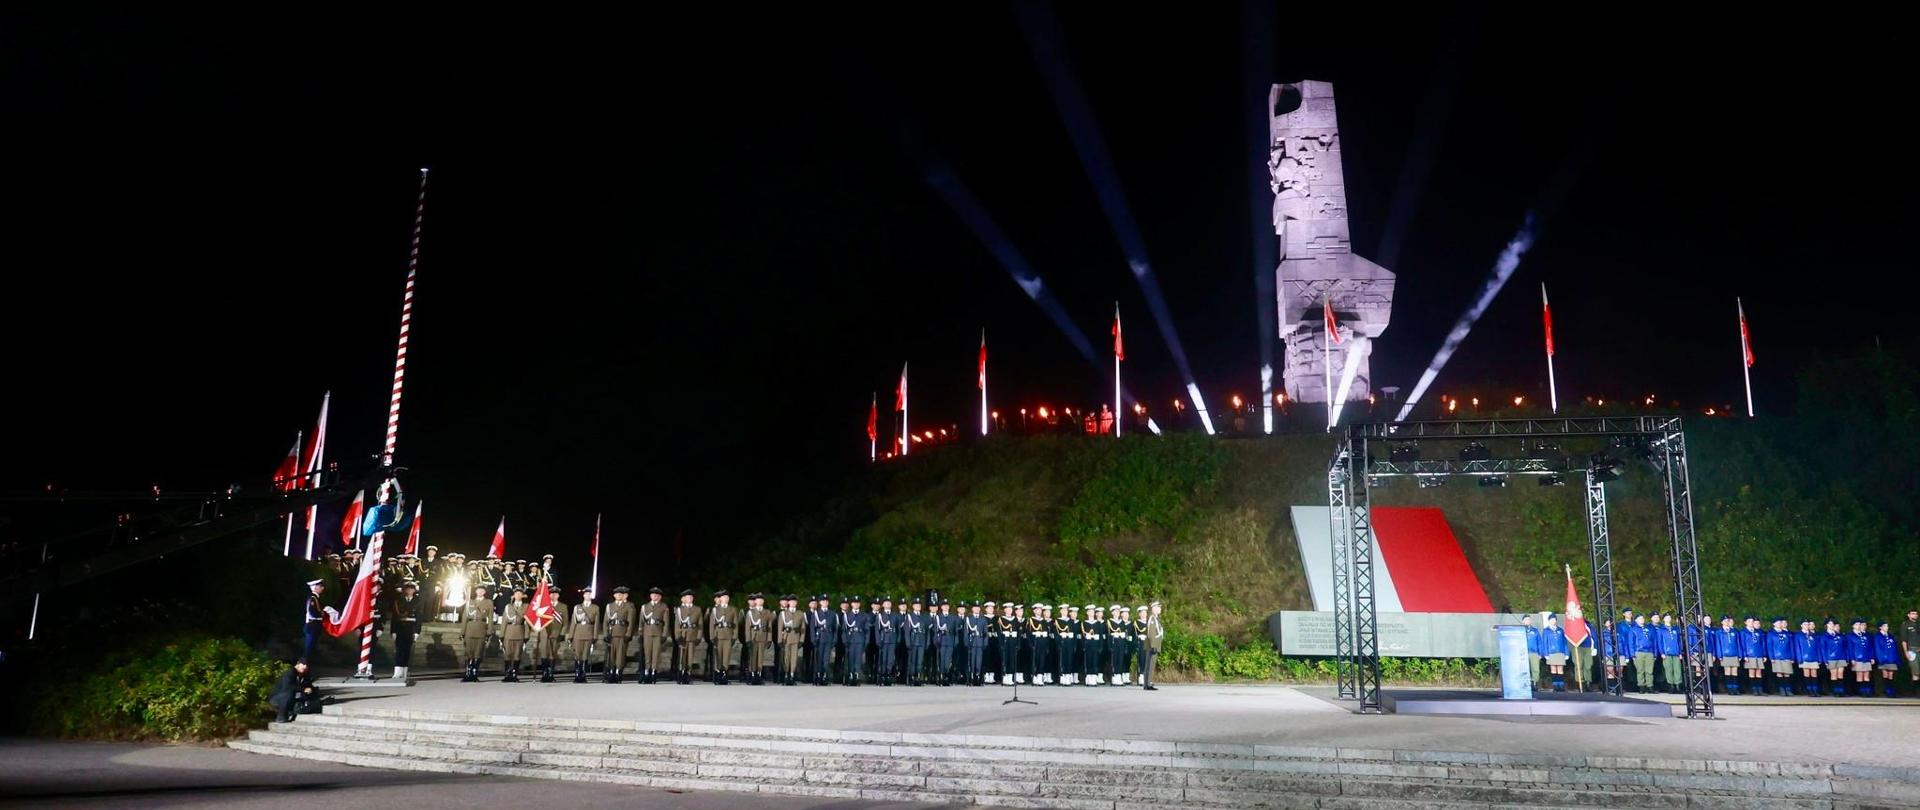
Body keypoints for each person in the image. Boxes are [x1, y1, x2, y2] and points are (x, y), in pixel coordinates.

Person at [388, 580, 424, 682]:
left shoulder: (418, 601)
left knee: (407, 651)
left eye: (411, 589)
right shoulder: (399, 601)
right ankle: (397, 672)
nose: (409, 591)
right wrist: (393, 631)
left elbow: (419, 617)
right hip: (400, 627)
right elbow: (395, 617)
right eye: (407, 589)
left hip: (411, 628)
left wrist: (417, 631)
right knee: (399, 650)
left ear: (414, 591)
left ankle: (404, 671)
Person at [459, 584, 494, 682]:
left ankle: (474, 673)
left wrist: (489, 631)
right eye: (478, 590)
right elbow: (464, 617)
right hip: (470, 627)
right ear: (476, 592)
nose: (480, 592)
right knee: (468, 652)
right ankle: (467, 673)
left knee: (478, 652)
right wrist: (462, 632)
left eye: (482, 590)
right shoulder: (470, 602)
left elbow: (490, 618)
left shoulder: (488, 602)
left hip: (481, 627)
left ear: (484, 592)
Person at [603, 586, 637, 683]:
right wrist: (605, 634)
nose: (619, 596)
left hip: (622, 633)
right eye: (617, 594)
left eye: (621, 594)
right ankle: (611, 672)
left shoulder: (628, 606)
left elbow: (631, 621)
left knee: (620, 655)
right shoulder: (609, 606)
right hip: (612, 633)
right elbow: (606, 621)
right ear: (614, 595)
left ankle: (618, 673)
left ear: (623, 596)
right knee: (611, 655)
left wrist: (628, 634)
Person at [532, 589, 567, 683]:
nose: (553, 595)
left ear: (558, 596)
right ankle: (544, 674)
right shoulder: (544, 606)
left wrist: (562, 634)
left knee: (552, 654)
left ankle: (551, 675)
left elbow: (565, 623)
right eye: (551, 594)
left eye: (555, 594)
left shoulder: (563, 606)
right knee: (543, 653)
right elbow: (537, 618)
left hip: (555, 633)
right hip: (544, 633)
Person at [568, 587, 601, 683]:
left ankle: (583, 675)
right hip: (578, 633)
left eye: (590, 594)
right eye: (586, 594)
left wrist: (595, 636)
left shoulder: (595, 608)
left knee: (585, 655)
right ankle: (577, 675)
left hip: (588, 633)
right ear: (583, 595)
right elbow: (573, 622)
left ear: (592, 596)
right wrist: (571, 636)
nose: (588, 596)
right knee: (577, 655)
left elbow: (596, 623)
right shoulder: (577, 607)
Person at [500, 587, 530, 682]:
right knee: (508, 654)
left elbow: (528, 623)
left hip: (519, 632)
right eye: (516, 593)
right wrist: (502, 635)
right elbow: (504, 621)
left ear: (523, 595)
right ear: (513, 595)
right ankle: (507, 674)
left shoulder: (526, 606)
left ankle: (514, 675)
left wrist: (526, 636)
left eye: (520, 594)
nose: (518, 595)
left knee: (517, 655)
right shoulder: (508, 606)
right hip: (508, 632)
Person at [639, 587, 669, 684]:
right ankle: (647, 672)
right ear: (650, 596)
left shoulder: (663, 607)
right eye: (653, 595)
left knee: (655, 654)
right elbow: (641, 622)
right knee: (647, 654)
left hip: (657, 632)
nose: (655, 596)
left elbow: (666, 622)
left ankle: (654, 672)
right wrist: (640, 633)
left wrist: (664, 634)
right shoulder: (645, 607)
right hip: (647, 632)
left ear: (660, 597)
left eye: (657, 595)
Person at [302, 579, 336, 662]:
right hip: (312, 625)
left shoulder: (316, 598)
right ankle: (302, 669)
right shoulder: (313, 598)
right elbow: (313, 612)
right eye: (320, 586)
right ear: (315, 587)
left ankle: (306, 669)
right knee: (308, 649)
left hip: (314, 625)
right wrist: (324, 613)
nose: (322, 588)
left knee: (311, 648)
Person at [742, 592, 772, 685]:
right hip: (753, 637)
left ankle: (758, 674)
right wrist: (748, 639)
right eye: (758, 600)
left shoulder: (767, 612)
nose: (760, 601)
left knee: (760, 658)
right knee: (753, 657)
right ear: (755, 601)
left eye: (761, 600)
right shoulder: (750, 612)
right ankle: (752, 675)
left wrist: (769, 639)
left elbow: (769, 627)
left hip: (763, 636)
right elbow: (747, 627)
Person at [841, 596, 871, 686]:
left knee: (858, 659)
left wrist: (866, 641)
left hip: (859, 639)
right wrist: (845, 640)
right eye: (854, 603)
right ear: (851, 604)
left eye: (857, 603)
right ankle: (850, 676)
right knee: (850, 659)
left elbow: (867, 631)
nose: (856, 604)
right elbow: (844, 630)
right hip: (850, 640)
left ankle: (856, 676)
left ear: (860, 604)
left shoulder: (864, 615)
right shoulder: (847, 615)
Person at [807, 594, 835, 685]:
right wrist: (813, 639)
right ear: (820, 602)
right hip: (819, 638)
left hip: (828, 638)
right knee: (818, 659)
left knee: (826, 659)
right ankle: (818, 676)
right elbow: (812, 627)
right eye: (823, 601)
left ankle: (824, 676)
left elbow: (835, 628)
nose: (825, 602)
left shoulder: (832, 613)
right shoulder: (816, 613)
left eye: (826, 601)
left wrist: (834, 639)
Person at [777, 594, 804, 685]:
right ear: (788, 603)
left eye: (794, 601)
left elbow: (803, 628)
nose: (793, 603)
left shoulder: (800, 614)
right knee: (786, 657)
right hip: (786, 639)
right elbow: (780, 628)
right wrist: (780, 640)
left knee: (794, 658)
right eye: (791, 601)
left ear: (796, 603)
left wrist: (801, 640)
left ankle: (792, 674)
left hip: (796, 638)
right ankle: (786, 674)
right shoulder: (783, 614)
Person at [1764, 617, 1795, 696]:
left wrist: (1792, 657)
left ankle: (1788, 689)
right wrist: (1771, 657)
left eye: (1781, 623)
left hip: (1787, 655)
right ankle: (1782, 689)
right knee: (1779, 672)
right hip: (1777, 656)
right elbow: (1769, 646)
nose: (1780, 624)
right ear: (1774, 624)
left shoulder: (1786, 633)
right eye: (1778, 623)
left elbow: (1791, 646)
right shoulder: (1771, 633)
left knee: (1787, 672)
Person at [1710, 615, 1741, 694]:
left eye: (1728, 621)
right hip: (1725, 654)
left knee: (1735, 671)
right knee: (1727, 671)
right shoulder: (1719, 632)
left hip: (1734, 653)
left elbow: (1738, 643)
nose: (1727, 622)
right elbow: (1718, 644)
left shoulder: (1734, 631)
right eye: (1725, 621)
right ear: (1722, 622)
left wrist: (1740, 654)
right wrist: (1720, 655)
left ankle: (1735, 688)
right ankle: (1729, 688)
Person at [1794, 618, 1824, 697]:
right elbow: (1798, 647)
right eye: (1805, 624)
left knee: (1814, 673)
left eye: (1808, 624)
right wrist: (1799, 658)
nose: (1807, 626)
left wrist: (1819, 658)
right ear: (1801, 625)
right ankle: (1809, 689)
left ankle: (1815, 689)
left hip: (1814, 656)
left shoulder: (1814, 635)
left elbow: (1818, 647)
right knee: (1807, 673)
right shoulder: (1798, 635)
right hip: (1804, 657)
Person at [1540, 613, 1570, 691]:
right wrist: (1546, 653)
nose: (1553, 621)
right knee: (1553, 669)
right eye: (1551, 620)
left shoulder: (1560, 630)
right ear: (1549, 621)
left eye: (1554, 619)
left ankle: (1561, 685)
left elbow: (1565, 642)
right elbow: (1544, 642)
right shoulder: (1546, 630)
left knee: (1560, 669)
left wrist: (1566, 653)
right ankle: (1555, 685)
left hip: (1560, 651)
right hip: (1551, 652)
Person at [1821, 618, 1850, 697]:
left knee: (1840, 673)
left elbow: (1845, 647)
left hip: (1841, 656)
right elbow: (1823, 649)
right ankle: (1835, 690)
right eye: (1830, 623)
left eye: (1833, 624)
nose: (1832, 625)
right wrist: (1825, 660)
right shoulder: (1824, 636)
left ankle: (1841, 690)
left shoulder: (1840, 635)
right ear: (1826, 625)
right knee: (1834, 674)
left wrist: (1847, 658)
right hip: (1831, 657)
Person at [1738, 615, 1767, 693]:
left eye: (1753, 621)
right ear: (1745, 622)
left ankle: (1759, 689)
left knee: (1759, 672)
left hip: (1759, 654)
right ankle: (1753, 689)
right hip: (1750, 654)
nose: (1751, 623)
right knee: (1752, 671)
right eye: (1749, 621)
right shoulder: (1743, 632)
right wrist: (1744, 655)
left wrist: (1764, 654)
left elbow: (1762, 643)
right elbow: (1742, 644)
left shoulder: (1758, 632)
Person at [993, 601, 1020, 686]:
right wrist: (1001, 643)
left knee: (1012, 660)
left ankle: (1010, 677)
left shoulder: (1015, 619)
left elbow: (1019, 632)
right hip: (1005, 642)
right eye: (1007, 609)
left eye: (1010, 609)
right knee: (1005, 660)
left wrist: (1018, 643)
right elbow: (999, 632)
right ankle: (1004, 677)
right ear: (1005, 610)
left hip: (1013, 642)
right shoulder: (1001, 619)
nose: (1009, 610)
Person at [1141, 600, 1165, 690]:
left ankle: (1148, 683)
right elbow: (1151, 633)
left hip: (1154, 645)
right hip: (1152, 645)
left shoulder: (1155, 618)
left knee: (1151, 665)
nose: (1160, 609)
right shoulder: (1152, 618)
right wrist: (1153, 645)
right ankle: (1147, 684)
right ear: (1154, 608)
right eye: (1158, 607)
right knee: (1149, 665)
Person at [1848, 618, 1876, 697]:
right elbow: (1850, 648)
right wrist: (1852, 658)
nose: (1859, 626)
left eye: (1860, 624)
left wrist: (1872, 657)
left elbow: (1869, 647)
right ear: (1853, 626)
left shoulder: (1865, 635)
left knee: (1866, 674)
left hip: (1866, 657)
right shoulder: (1850, 635)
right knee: (1859, 674)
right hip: (1858, 658)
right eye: (1856, 624)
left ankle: (1867, 690)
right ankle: (1861, 691)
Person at [1875, 620, 1903, 698]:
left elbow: (1894, 648)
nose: (1887, 627)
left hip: (1892, 658)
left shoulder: (1890, 636)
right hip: (1883, 658)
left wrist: (1895, 658)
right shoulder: (1878, 636)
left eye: (1887, 626)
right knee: (1885, 674)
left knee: (1891, 674)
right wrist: (1881, 658)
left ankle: (1891, 690)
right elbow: (1878, 648)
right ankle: (1886, 690)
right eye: (1885, 626)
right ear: (1880, 627)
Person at [1656, 613, 1683, 694]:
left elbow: (1679, 641)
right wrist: (1662, 652)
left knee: (1677, 669)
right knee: (1668, 670)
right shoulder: (1661, 629)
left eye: (1669, 617)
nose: (1668, 619)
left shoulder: (1675, 629)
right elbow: (1659, 642)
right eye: (1666, 617)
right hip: (1666, 653)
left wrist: (1680, 652)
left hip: (1676, 652)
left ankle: (1678, 686)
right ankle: (1671, 686)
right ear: (1663, 619)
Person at [964, 601, 988, 686]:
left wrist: (985, 643)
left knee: (979, 661)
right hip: (972, 642)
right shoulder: (968, 619)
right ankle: (971, 677)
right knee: (971, 661)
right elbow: (966, 632)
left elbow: (985, 633)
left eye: (978, 607)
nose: (977, 609)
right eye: (975, 607)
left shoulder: (983, 619)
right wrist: (966, 643)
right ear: (972, 609)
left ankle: (978, 677)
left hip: (980, 643)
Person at [1054, 604, 1079, 686]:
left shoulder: (1071, 621)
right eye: (1063, 610)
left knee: (1069, 660)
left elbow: (1074, 634)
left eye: (1066, 610)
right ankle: (1062, 677)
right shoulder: (1057, 621)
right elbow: (1056, 634)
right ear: (1060, 611)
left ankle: (1068, 676)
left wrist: (1074, 644)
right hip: (1062, 643)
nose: (1065, 612)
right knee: (1062, 660)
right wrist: (1059, 642)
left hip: (1070, 643)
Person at [1520, 614, 1542, 689]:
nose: (1527, 621)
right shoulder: (1520, 630)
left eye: (1529, 619)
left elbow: (1539, 642)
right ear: (1523, 621)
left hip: (1534, 653)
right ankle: (1525, 684)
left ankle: (1534, 684)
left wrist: (1540, 653)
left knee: (1535, 669)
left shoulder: (1535, 630)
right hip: (1523, 653)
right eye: (1526, 619)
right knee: (1524, 669)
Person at [1902, 610, 1920, 688]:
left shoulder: (1919, 624)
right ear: (1908, 615)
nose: (1915, 615)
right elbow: (1904, 640)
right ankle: (1916, 692)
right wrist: (1906, 652)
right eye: (1913, 614)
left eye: (1916, 614)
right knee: (1915, 671)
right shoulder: (1905, 625)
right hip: (1912, 650)